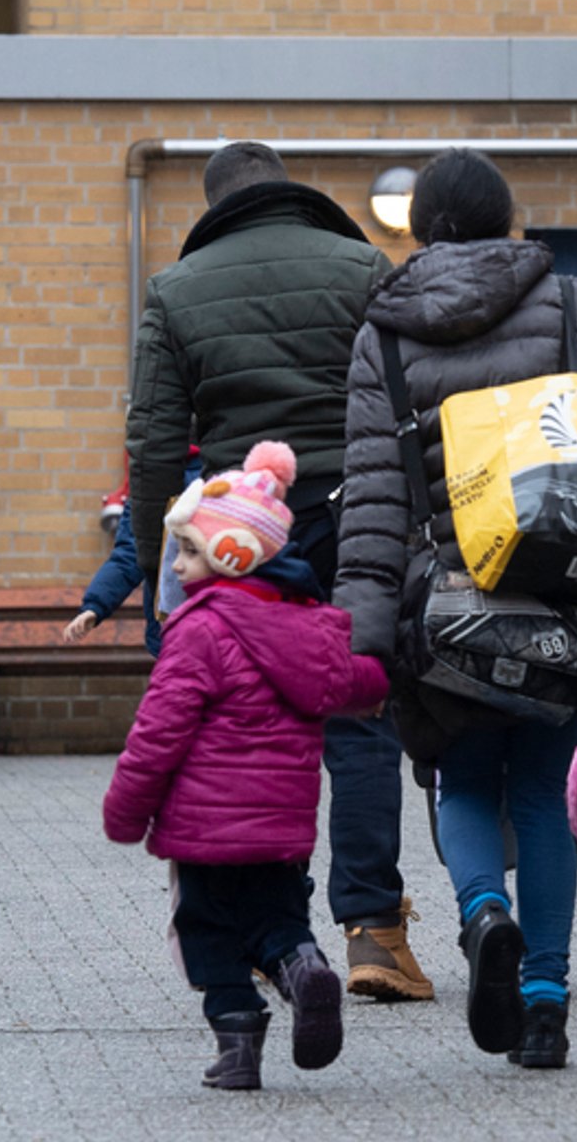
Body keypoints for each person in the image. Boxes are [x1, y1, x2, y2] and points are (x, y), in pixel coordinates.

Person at [331, 148, 577, 1068]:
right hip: (561, 597)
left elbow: (372, 500)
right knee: (546, 802)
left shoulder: (383, 335)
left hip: (443, 609)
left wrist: (362, 637)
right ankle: (546, 1005)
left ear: (419, 227)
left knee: (464, 780)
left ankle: (483, 918)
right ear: (510, 218)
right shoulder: (571, 303)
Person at [123, 141, 433, 1002]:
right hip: (361, 515)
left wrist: (165, 564)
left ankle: (276, 933)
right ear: (291, 193)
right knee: (362, 716)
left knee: (250, 724)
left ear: (214, 205)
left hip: (240, 532)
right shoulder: (361, 264)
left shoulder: (175, 289)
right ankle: (373, 931)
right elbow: (411, 402)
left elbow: (152, 441)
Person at [102, 442, 391, 1091]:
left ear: (231, 554)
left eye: (189, 552)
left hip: (203, 831)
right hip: (281, 832)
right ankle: (303, 966)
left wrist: (126, 808)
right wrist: (385, 677)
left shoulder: (197, 631)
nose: (177, 565)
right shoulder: (309, 627)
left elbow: (158, 732)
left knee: (205, 930)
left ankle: (237, 1047)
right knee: (278, 919)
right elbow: (359, 681)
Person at [64, 448, 201, 656]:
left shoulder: (219, 475)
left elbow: (128, 554)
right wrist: (95, 605)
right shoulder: (150, 480)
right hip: (172, 633)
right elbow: (129, 553)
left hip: (196, 629)